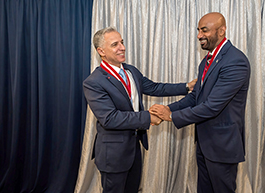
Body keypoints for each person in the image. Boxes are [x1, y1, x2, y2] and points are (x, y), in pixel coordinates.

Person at [83, 26, 196, 193]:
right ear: (101, 51)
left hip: (134, 148)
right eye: (115, 44)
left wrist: (187, 87)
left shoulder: (130, 71)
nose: (122, 47)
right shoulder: (94, 82)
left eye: (122, 42)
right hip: (113, 155)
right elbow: (110, 118)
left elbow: (156, 88)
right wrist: (148, 117)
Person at [149, 12, 250, 193]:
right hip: (205, 143)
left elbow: (212, 106)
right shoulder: (206, 61)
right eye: (198, 30)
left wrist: (171, 116)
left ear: (221, 31)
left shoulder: (235, 61)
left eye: (204, 30)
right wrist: (166, 109)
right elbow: (195, 97)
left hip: (222, 146)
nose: (199, 36)